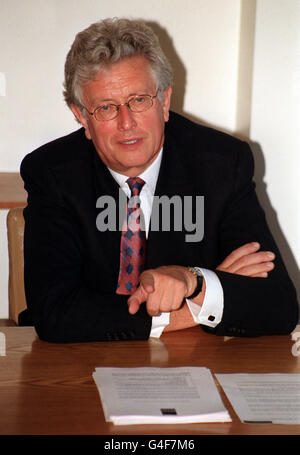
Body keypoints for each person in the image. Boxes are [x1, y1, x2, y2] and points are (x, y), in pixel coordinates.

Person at [19, 17, 298, 342]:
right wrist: (195, 306)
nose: (127, 123)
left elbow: (278, 306)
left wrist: (192, 281)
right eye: (106, 107)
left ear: (164, 102)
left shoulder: (221, 165)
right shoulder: (52, 173)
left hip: (191, 367)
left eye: (139, 100)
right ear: (81, 116)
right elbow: (55, 314)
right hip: (79, 367)